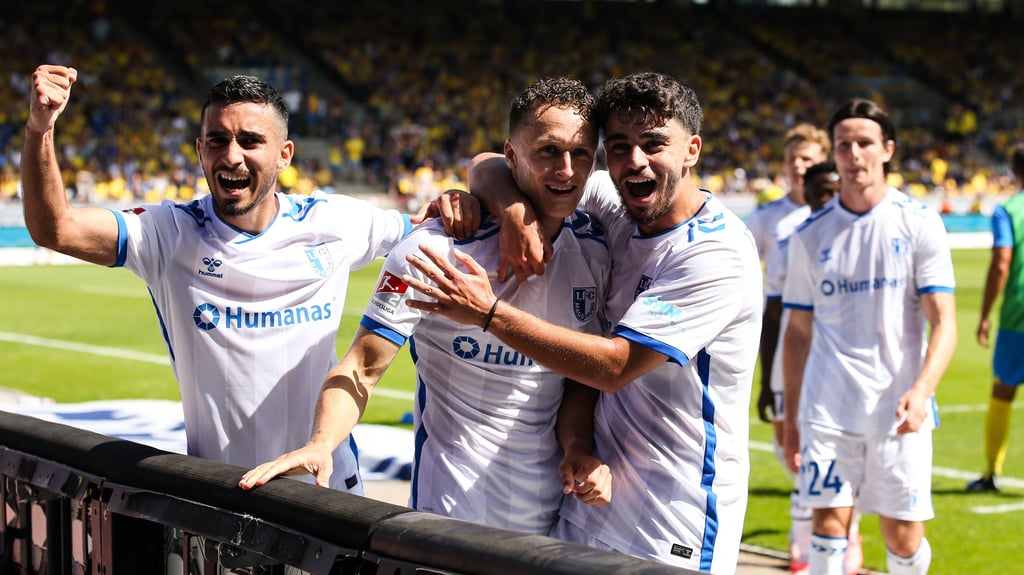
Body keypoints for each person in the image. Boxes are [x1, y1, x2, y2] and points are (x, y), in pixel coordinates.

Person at [401, 72, 762, 573]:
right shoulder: (619, 206)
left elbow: (614, 367)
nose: (634, 162)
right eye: (618, 147)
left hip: (671, 517)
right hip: (586, 495)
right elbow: (489, 162)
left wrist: (488, 312)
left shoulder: (714, 255)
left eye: (654, 144)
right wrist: (511, 212)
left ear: (692, 150)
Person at [239, 77, 613, 534]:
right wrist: (321, 443)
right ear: (512, 156)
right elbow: (362, 366)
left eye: (581, 155)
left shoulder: (595, 252)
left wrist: (578, 449)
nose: (567, 169)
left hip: (558, 523)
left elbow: (577, 382)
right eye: (548, 151)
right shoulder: (435, 248)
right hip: (448, 521)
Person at [22, 65, 414, 494]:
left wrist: (477, 181)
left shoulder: (335, 222)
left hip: (326, 486)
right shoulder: (169, 233)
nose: (231, 156)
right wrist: (41, 129)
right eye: (217, 140)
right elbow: (55, 229)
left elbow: (432, 230)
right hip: (221, 496)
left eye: (250, 141)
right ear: (199, 149)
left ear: (284, 155)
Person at [781, 98, 958, 575]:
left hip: (898, 410)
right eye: (844, 145)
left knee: (902, 539)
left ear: (887, 150)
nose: (853, 153)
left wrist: (922, 391)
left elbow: (944, 322)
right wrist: (792, 412)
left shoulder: (919, 223)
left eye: (864, 143)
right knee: (828, 529)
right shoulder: (809, 235)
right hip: (828, 408)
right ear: (833, 153)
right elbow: (797, 333)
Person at [763, 160, 858, 575]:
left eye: (834, 190)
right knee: (797, 457)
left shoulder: (857, 233)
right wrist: (768, 381)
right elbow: (773, 312)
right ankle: (808, 542)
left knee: (839, 460)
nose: (827, 199)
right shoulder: (790, 237)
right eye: (819, 190)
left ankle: (834, 540)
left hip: (843, 368)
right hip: (798, 363)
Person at [747, 123, 832, 575]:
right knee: (788, 446)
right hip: (782, 341)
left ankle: (813, 540)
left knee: (822, 444)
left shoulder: (838, 214)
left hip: (829, 345)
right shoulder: (766, 218)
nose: (800, 167)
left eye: (808, 159)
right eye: (793, 159)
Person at [967, 143, 1024, 493]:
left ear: (1014, 171)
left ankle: (991, 472)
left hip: (1018, 314)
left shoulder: (1008, 210)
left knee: (1003, 390)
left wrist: (985, 313)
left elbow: (1002, 262)